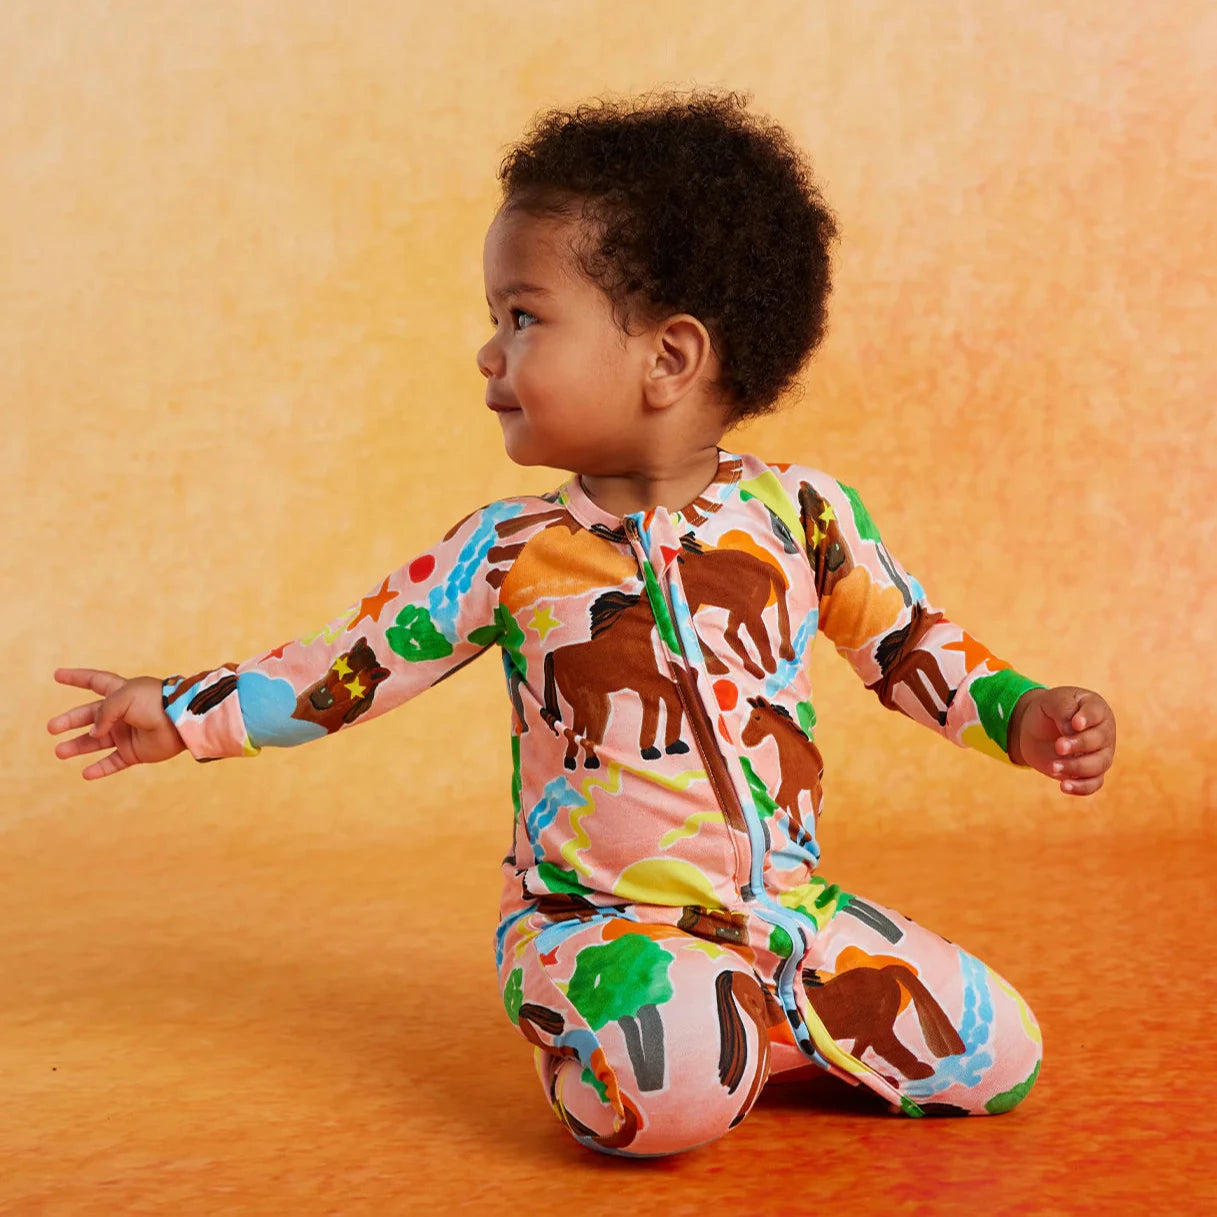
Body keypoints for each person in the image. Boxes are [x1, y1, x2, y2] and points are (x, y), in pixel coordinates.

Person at [47, 88, 1116, 1158]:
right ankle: (668, 1032)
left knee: (1000, 1055)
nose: (488, 351)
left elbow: (910, 647)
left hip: (783, 915)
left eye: (522, 316)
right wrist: (185, 710)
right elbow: (348, 666)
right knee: (667, 1106)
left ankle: (747, 1021)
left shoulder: (801, 516)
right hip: (588, 920)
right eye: (495, 319)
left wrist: (1028, 716)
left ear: (667, 357)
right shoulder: (505, 550)